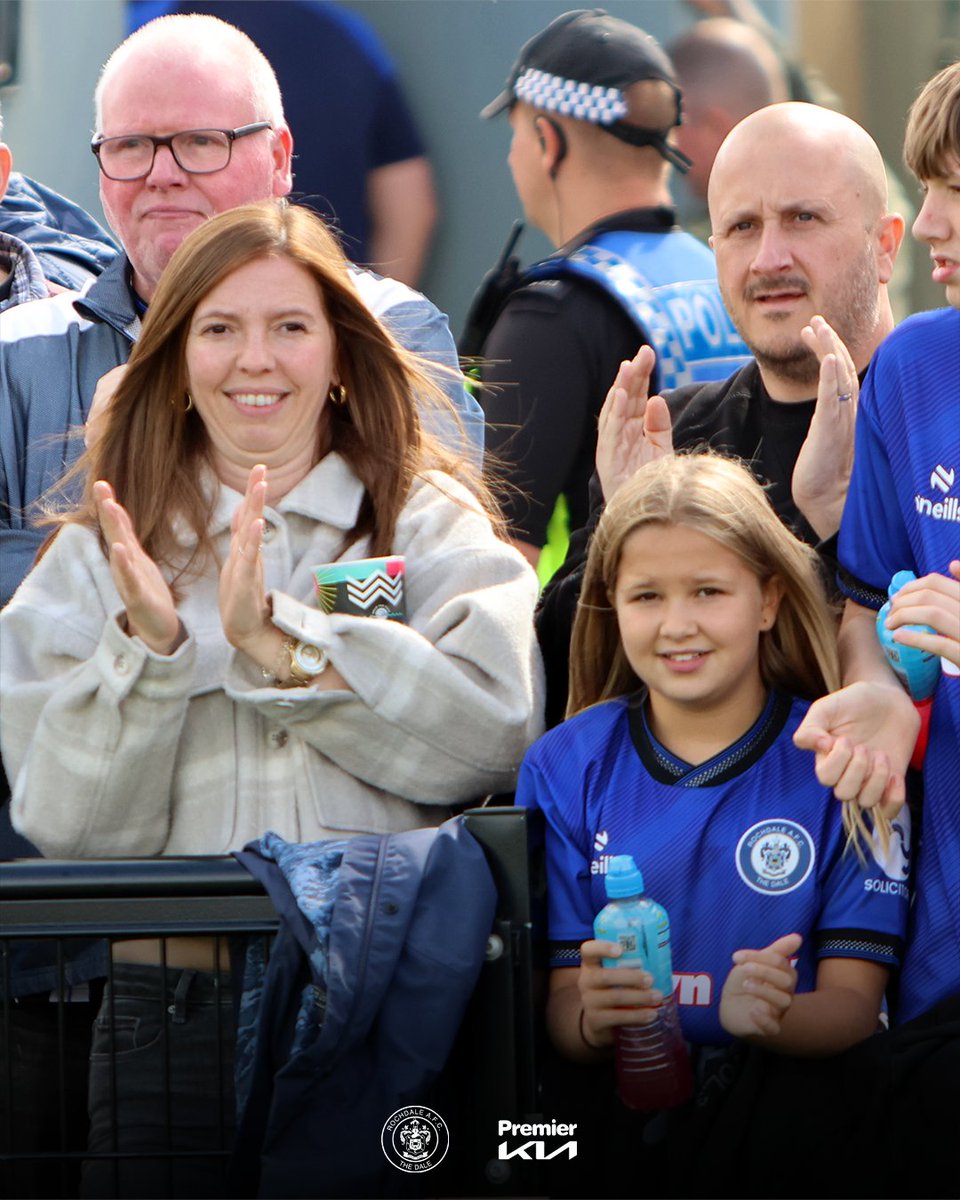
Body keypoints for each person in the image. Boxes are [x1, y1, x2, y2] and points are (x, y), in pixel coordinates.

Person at [0, 198, 544, 1197]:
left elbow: (496, 730)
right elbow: (63, 823)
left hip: (390, 1004)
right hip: (172, 1020)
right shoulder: (95, 555)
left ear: (340, 356)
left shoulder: (422, 517)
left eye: (290, 326)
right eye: (219, 328)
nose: (257, 358)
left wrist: (286, 648)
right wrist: (149, 652)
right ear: (175, 363)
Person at [0, 11, 482, 614]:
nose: (162, 174)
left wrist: (103, 548)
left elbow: (425, 588)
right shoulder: (16, 356)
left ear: (280, 158)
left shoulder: (388, 335)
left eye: (201, 142)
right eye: (129, 146)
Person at [515, 452, 908, 1190]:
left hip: (796, 1138)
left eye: (708, 591)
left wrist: (772, 1018)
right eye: (647, 597)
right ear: (611, 603)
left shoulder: (840, 761)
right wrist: (594, 1022)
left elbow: (856, 1008)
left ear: (766, 601)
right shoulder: (563, 767)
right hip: (609, 1143)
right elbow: (561, 1014)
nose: (677, 625)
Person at [536, 101, 905, 725]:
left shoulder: (933, 427)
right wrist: (622, 533)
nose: (768, 259)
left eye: (803, 218)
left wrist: (839, 528)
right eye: (741, 228)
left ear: (886, 246)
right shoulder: (676, 439)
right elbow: (562, 682)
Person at [795, 59, 960, 1028]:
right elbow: (868, 605)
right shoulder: (915, 367)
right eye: (930, 188)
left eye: (958, 192)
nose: (932, 223)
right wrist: (882, 695)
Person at [468, 8, 750, 575]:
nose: (511, 156)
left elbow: (495, 569)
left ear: (547, 141)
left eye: (518, 133)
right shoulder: (733, 278)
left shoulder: (547, 316)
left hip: (615, 652)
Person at [125, 0, 438, 287]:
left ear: (280, 157)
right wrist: (360, 326)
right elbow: (410, 205)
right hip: (329, 309)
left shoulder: (150, 37)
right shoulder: (346, 35)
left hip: (196, 314)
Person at [667, 16, 789, 241]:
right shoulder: (833, 212)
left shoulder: (714, 246)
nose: (670, 143)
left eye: (676, 124)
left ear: (716, 127)